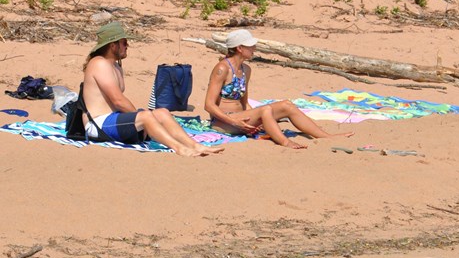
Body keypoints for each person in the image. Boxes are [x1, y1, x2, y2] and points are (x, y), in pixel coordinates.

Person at [82, 21, 223, 157]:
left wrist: (145, 118)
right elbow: (118, 100)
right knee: (146, 116)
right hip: (98, 124)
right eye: (124, 42)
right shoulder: (99, 64)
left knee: (162, 113)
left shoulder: (116, 66)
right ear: (113, 46)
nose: (127, 45)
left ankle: (195, 145)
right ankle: (180, 149)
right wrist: (143, 118)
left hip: (114, 119)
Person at [204, 29, 354, 149]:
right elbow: (209, 105)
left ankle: (325, 136)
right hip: (223, 122)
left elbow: (244, 102)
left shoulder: (246, 69)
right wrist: (235, 122)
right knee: (265, 110)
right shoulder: (222, 69)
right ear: (239, 48)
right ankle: (285, 142)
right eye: (250, 46)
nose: (254, 48)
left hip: (241, 117)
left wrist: (255, 121)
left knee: (286, 105)